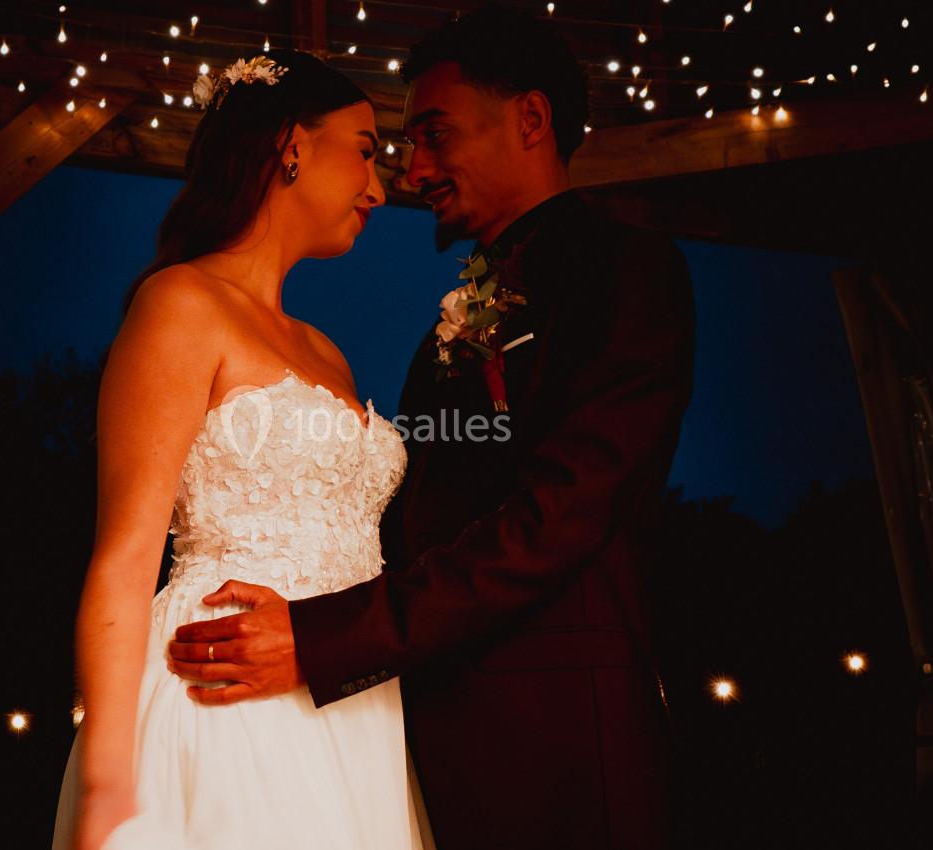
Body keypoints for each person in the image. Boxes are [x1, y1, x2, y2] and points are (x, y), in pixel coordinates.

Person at [167, 7, 697, 849]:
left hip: (554, 743)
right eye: (401, 147)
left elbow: (560, 518)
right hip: (402, 744)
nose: (413, 172)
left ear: (530, 119)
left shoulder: (626, 273)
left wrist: (321, 638)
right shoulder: (442, 330)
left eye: (434, 137)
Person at [50, 49, 425, 850]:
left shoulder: (328, 353)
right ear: (293, 144)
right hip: (223, 699)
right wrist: (110, 780)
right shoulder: (180, 304)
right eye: (364, 150)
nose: (379, 190)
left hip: (353, 704)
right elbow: (124, 556)